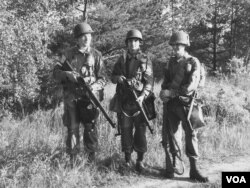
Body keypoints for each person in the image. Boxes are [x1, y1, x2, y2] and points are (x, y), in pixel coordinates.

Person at [53, 22, 106, 163]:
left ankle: (91, 160)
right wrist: (67, 75)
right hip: (72, 98)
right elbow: (55, 74)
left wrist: (94, 86)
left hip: (90, 98)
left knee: (90, 128)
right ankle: (73, 161)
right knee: (73, 129)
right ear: (77, 39)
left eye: (88, 35)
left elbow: (103, 78)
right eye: (82, 36)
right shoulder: (66, 55)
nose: (86, 38)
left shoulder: (97, 55)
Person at [160, 31, 209, 182]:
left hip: (188, 105)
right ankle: (174, 165)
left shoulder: (193, 62)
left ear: (184, 45)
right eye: (173, 46)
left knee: (191, 135)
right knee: (172, 135)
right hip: (172, 105)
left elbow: (191, 86)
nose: (175, 48)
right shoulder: (170, 62)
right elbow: (166, 81)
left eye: (178, 46)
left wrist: (171, 92)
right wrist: (163, 92)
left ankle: (194, 169)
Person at [110, 29, 154, 173]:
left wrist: (143, 95)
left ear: (139, 43)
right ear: (127, 43)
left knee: (140, 131)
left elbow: (149, 81)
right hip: (124, 101)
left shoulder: (145, 59)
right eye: (130, 41)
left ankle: (140, 161)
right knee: (125, 131)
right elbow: (113, 76)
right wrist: (119, 79)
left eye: (135, 41)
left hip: (140, 102)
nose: (132, 43)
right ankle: (127, 160)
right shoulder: (121, 59)